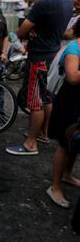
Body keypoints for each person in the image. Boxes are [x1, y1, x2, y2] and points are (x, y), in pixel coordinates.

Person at [6, 0, 73, 155]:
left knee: (35, 101)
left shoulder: (46, 2)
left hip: (39, 57)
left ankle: (30, 143)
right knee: (46, 97)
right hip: (52, 53)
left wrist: (22, 35)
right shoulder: (67, 0)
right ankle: (44, 133)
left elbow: (20, 32)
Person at [47, 20, 80, 208]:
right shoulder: (74, 48)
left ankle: (68, 175)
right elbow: (73, 77)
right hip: (70, 102)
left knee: (76, 141)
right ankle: (55, 186)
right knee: (65, 143)